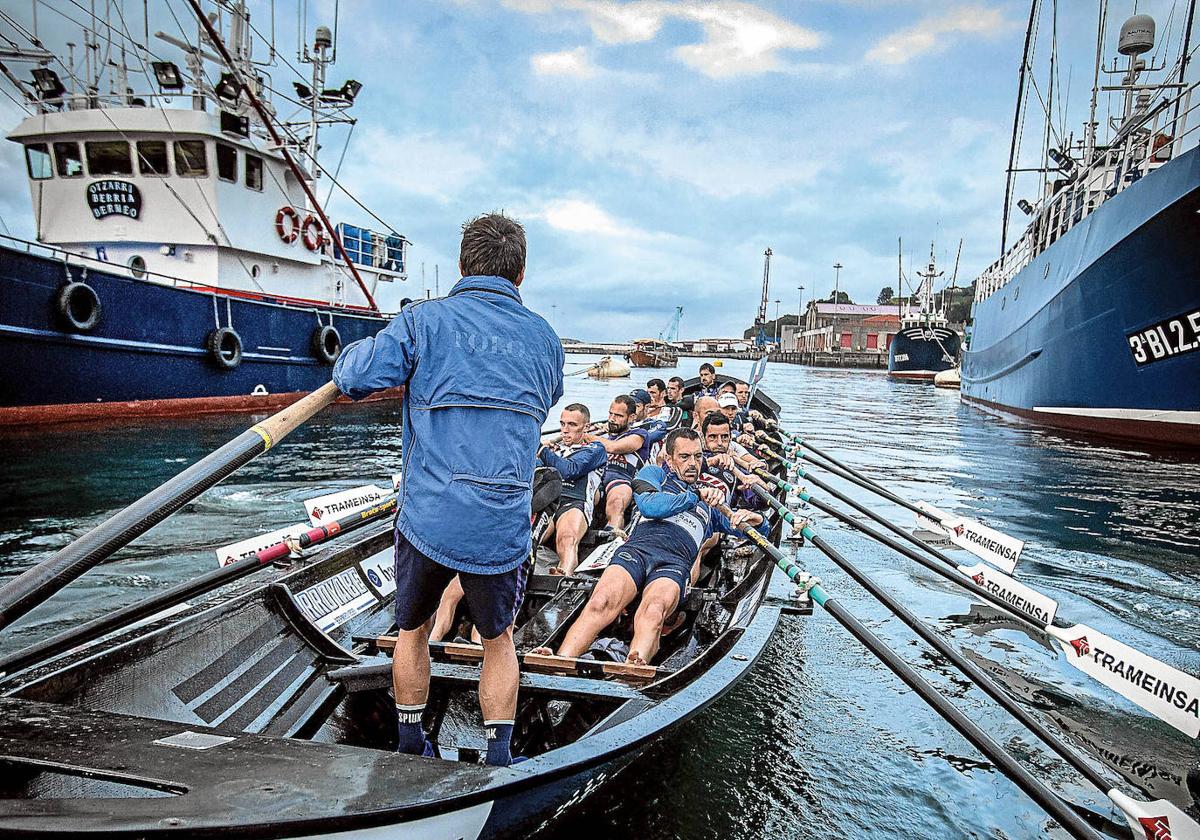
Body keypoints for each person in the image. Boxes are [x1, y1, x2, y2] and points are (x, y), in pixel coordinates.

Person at [332, 212, 563, 767]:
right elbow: (549, 397)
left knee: (410, 631)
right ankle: (499, 755)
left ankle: (411, 741)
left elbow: (353, 376)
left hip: (429, 520)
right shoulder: (546, 340)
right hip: (499, 526)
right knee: (498, 640)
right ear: (521, 274)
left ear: (462, 265)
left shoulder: (422, 322)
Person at [535, 428, 764, 666]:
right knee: (601, 601)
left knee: (654, 610)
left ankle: (635, 663)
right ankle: (561, 661)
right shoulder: (655, 475)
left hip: (673, 564)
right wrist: (694, 496)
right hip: (637, 551)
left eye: (698, 457)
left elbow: (754, 533)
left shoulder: (712, 506)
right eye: (685, 457)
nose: (693, 464)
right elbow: (650, 507)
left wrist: (760, 521)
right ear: (670, 458)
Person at [537, 404, 608, 576]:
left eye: (572, 425)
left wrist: (541, 450)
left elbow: (570, 470)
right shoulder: (556, 449)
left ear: (587, 427)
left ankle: (563, 578)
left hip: (575, 502)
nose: (565, 430)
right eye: (562, 424)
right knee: (525, 541)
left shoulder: (596, 449)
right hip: (548, 501)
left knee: (567, 539)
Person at [595, 396, 665, 531]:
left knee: (617, 502)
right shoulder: (602, 436)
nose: (612, 419)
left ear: (632, 417)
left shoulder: (639, 435)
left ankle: (612, 535)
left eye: (618, 416)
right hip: (596, 477)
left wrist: (585, 436)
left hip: (621, 479)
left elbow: (614, 447)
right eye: (610, 414)